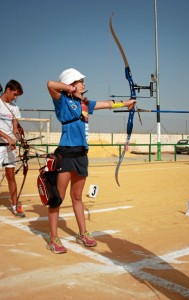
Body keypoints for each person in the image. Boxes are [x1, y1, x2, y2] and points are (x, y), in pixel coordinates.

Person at [47, 68, 136, 254]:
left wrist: (127, 103)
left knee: (77, 197)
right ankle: (53, 239)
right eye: (80, 81)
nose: (84, 84)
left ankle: (82, 233)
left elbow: (107, 104)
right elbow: (51, 84)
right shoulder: (62, 101)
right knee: (57, 199)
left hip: (81, 155)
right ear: (72, 84)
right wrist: (69, 89)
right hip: (66, 154)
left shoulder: (85, 103)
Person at [0, 79, 25, 217]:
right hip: (1, 145)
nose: (15, 98)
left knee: (11, 176)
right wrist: (7, 138)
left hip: (10, 147)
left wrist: (21, 140)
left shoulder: (14, 108)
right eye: (14, 94)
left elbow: (15, 129)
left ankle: (15, 206)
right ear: (8, 90)